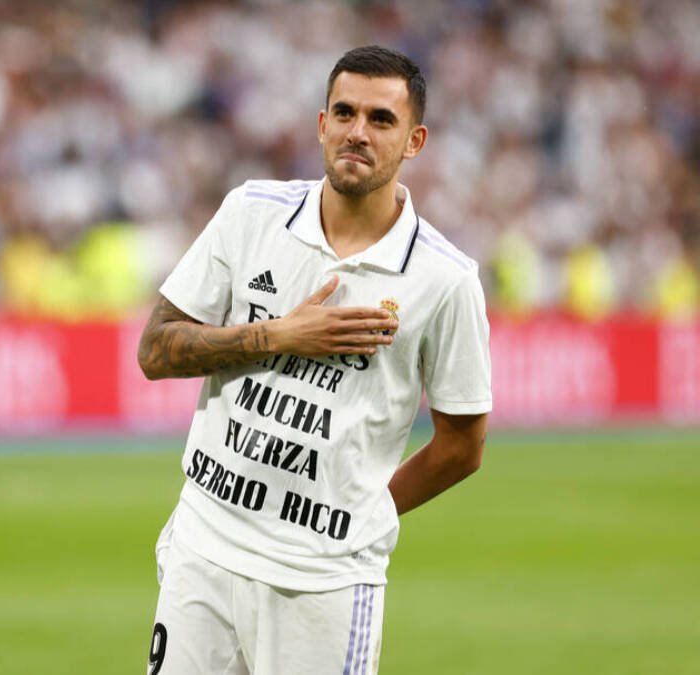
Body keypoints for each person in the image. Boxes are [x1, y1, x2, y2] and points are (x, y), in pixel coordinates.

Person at [137, 45, 491, 675]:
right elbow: (157, 349)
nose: (358, 132)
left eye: (381, 120)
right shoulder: (252, 214)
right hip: (204, 553)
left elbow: (462, 443)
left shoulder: (444, 279)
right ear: (321, 125)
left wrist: (365, 511)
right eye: (345, 112)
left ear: (414, 141)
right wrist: (277, 335)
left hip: (322, 583)